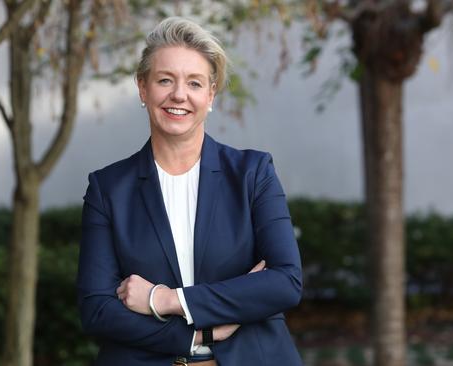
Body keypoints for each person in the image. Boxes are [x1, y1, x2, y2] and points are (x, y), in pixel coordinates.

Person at [77, 16, 303, 366]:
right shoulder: (107, 189)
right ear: (142, 87)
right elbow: (97, 309)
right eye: (165, 80)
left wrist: (166, 300)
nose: (179, 95)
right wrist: (198, 333)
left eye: (194, 83)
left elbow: (286, 281)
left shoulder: (253, 173)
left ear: (210, 94)